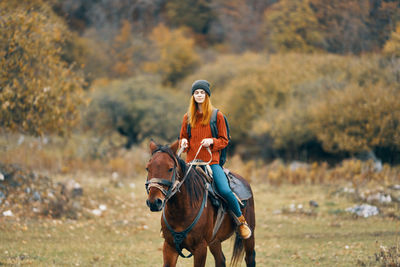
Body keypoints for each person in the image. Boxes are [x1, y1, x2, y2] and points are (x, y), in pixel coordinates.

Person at [179, 79, 252, 239]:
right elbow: (183, 136)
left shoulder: (217, 116)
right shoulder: (187, 117)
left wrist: (212, 141)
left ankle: (241, 221)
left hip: (211, 163)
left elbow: (224, 140)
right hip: (191, 163)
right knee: (176, 190)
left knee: (225, 190)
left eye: (202, 92)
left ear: (207, 95)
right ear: (193, 96)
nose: (199, 95)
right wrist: (183, 142)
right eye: (196, 92)